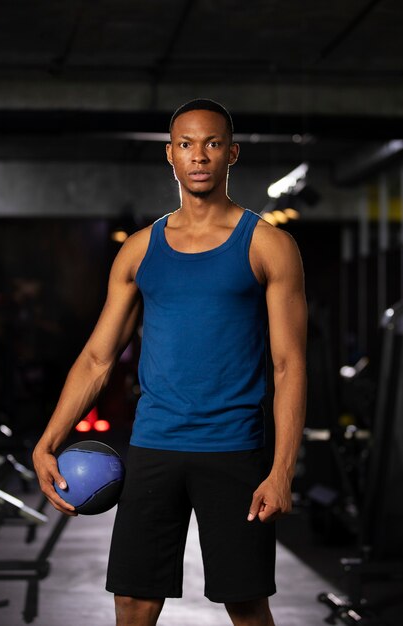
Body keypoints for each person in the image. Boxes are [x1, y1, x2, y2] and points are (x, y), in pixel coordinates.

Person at [32, 98, 308, 626]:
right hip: (154, 446)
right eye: (186, 144)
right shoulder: (140, 250)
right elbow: (97, 358)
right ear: (170, 155)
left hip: (235, 450)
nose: (198, 155)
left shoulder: (269, 246)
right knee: (134, 601)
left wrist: (282, 471)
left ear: (232, 153)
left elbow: (289, 365)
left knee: (247, 605)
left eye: (211, 143)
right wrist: (47, 442)